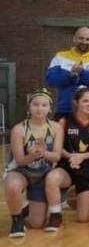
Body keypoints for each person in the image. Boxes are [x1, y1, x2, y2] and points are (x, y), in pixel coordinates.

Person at [44, 87, 89, 231]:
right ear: (76, 102)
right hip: (67, 165)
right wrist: (71, 156)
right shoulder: (64, 122)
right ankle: (55, 215)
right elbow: (57, 148)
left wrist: (82, 156)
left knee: (83, 218)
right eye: (85, 101)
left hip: (87, 169)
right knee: (52, 177)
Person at [4, 89, 63, 237]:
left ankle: (27, 207)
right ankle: (17, 220)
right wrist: (31, 155)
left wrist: (43, 153)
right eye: (35, 104)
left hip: (42, 175)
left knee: (37, 223)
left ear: (50, 108)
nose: (39, 108)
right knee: (12, 185)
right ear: (29, 107)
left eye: (44, 105)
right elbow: (20, 160)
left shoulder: (56, 128)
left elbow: (56, 157)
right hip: (21, 171)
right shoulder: (19, 129)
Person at [45, 26, 89, 119]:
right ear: (74, 39)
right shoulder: (60, 56)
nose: (84, 42)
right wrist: (69, 76)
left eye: (88, 39)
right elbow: (50, 80)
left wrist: (83, 73)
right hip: (65, 110)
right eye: (81, 38)